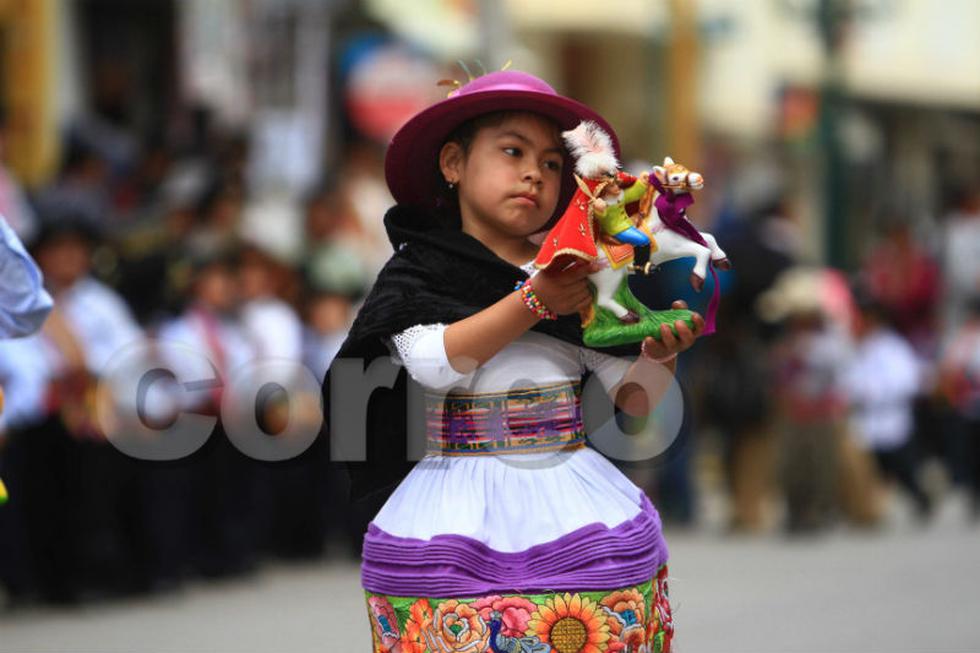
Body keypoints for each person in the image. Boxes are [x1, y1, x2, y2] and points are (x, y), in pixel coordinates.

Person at [329, 70, 702, 653]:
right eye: (512, 152)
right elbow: (433, 363)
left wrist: (658, 357)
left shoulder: (579, 270)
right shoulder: (419, 272)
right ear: (453, 163)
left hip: (569, 497)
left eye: (552, 163)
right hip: (452, 502)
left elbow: (631, 401)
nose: (535, 173)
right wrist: (534, 300)